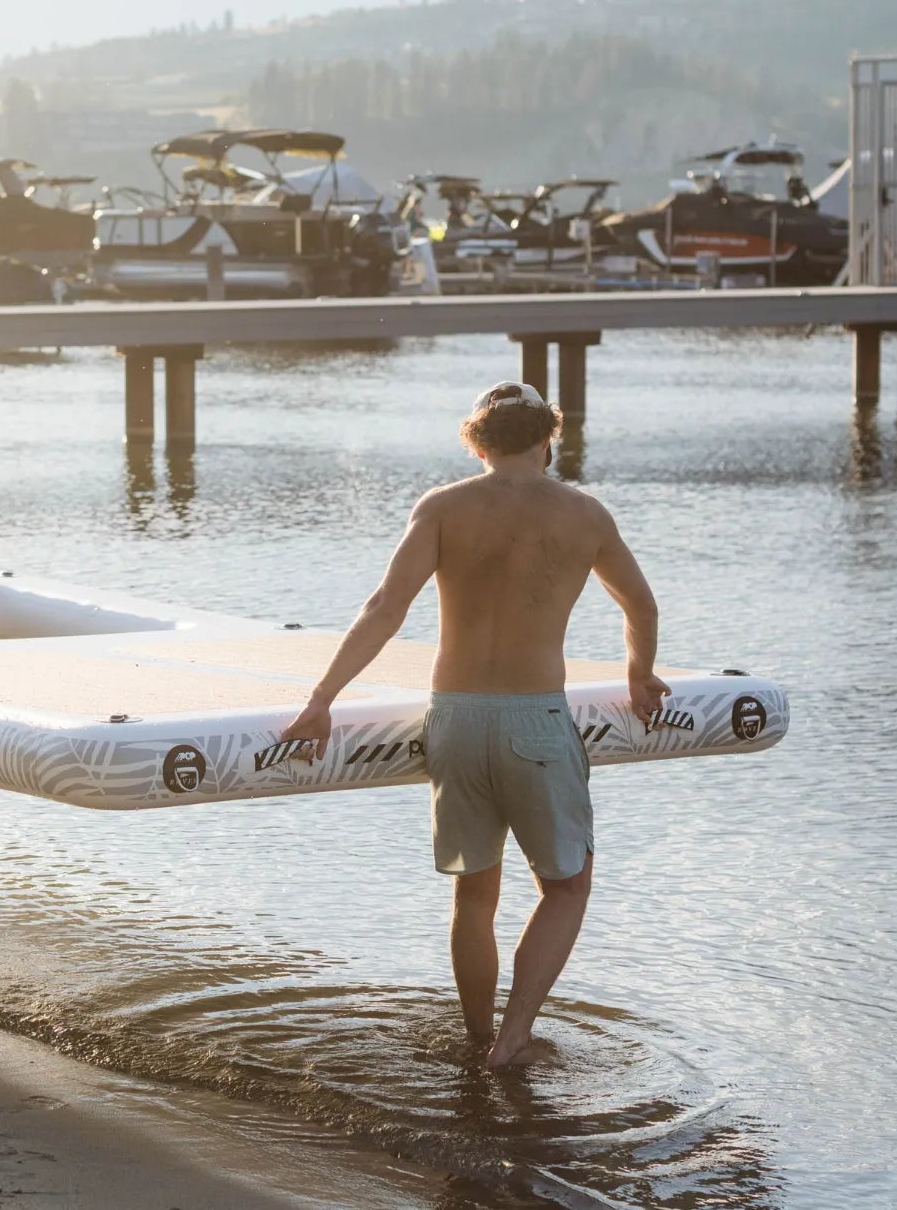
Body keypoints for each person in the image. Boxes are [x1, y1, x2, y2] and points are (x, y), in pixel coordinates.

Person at [281, 382, 666, 1069]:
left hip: (454, 717)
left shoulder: (442, 508)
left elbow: (383, 608)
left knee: (474, 891)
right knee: (567, 886)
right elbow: (639, 602)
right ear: (549, 437)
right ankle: (513, 1036)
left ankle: (475, 1033)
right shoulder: (584, 514)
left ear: (477, 442)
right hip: (536, 723)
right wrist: (640, 673)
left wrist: (321, 698)